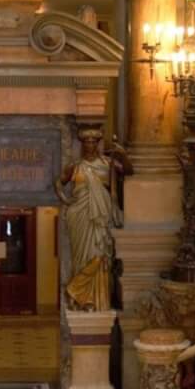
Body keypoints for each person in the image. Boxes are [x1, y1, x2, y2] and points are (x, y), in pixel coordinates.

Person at [57, 127, 132, 311]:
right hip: (79, 216)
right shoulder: (75, 166)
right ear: (82, 145)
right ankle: (84, 299)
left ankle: (76, 290)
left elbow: (129, 172)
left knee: (99, 255)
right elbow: (59, 182)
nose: (90, 145)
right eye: (86, 142)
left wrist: (123, 155)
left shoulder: (108, 163)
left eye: (93, 142)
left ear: (97, 144)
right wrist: (65, 199)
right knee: (81, 258)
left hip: (101, 215)